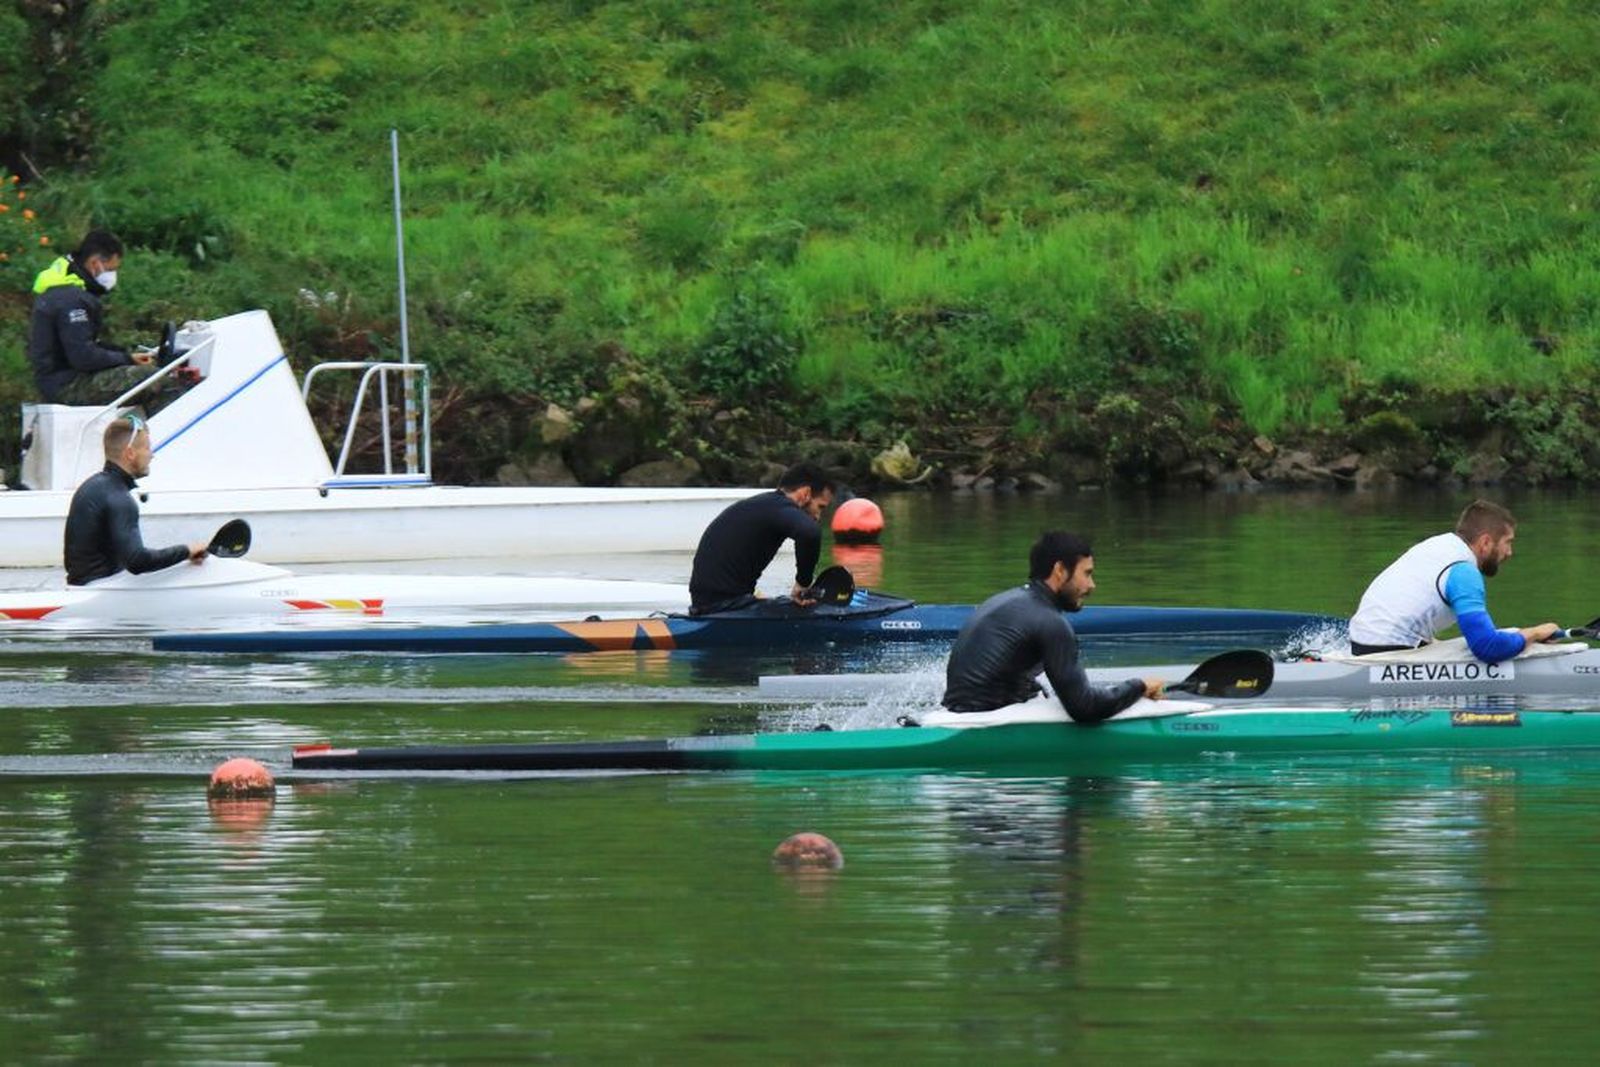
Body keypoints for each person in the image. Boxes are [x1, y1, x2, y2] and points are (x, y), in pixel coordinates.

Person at [942, 530, 1164, 720]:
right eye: (1086, 574)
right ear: (1060, 570)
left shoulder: (1006, 600)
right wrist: (1138, 686)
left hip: (956, 714)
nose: (1091, 585)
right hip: (983, 725)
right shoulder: (1050, 623)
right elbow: (1084, 708)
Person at [1347, 499, 1559, 662]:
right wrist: (1535, 632)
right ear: (1485, 542)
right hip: (1386, 656)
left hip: (1361, 643)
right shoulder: (1463, 571)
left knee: (1511, 636)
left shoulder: (1438, 545)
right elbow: (1486, 647)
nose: (1509, 552)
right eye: (1507, 542)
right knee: (1511, 638)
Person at [64, 413, 209, 586]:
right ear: (130, 453)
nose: (151, 455)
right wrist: (187, 550)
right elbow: (137, 561)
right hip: (101, 592)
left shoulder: (92, 486)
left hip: (81, 587)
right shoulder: (119, 498)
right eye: (147, 448)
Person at [29, 230, 162, 405]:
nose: (113, 276)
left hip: (56, 380)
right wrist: (127, 359)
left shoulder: (62, 288)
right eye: (111, 269)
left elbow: (86, 345)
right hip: (66, 386)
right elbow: (83, 357)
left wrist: (125, 354)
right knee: (154, 379)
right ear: (94, 263)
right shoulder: (71, 300)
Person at [687, 463, 835, 615]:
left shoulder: (764, 504)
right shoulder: (780, 509)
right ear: (806, 494)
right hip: (726, 607)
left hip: (706, 603)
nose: (818, 517)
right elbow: (810, 533)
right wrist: (803, 583)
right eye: (820, 507)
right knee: (813, 608)